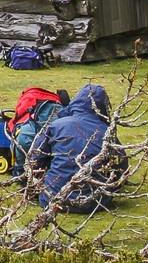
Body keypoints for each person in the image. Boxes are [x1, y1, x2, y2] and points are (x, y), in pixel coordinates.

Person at [30, 83, 123, 214]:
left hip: (53, 198)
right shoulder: (107, 132)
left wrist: (38, 182)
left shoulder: (56, 125)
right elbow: (121, 165)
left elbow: (34, 159)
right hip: (96, 201)